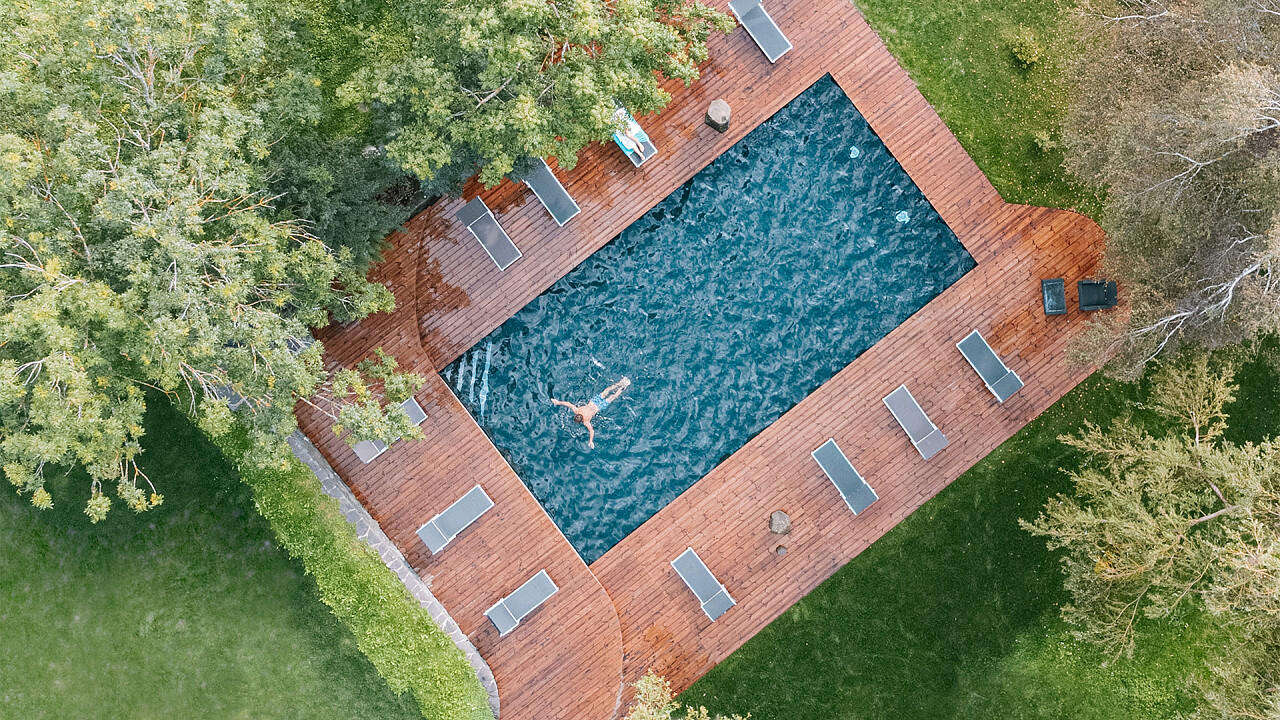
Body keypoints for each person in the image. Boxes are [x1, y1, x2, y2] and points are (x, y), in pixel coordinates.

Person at [551, 377, 631, 449]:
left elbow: (591, 431)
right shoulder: (577, 410)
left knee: (613, 397)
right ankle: (620, 383)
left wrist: (590, 441)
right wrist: (557, 402)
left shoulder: (586, 421)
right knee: (606, 391)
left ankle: (625, 386)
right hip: (594, 401)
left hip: (599, 407)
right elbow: (568, 404)